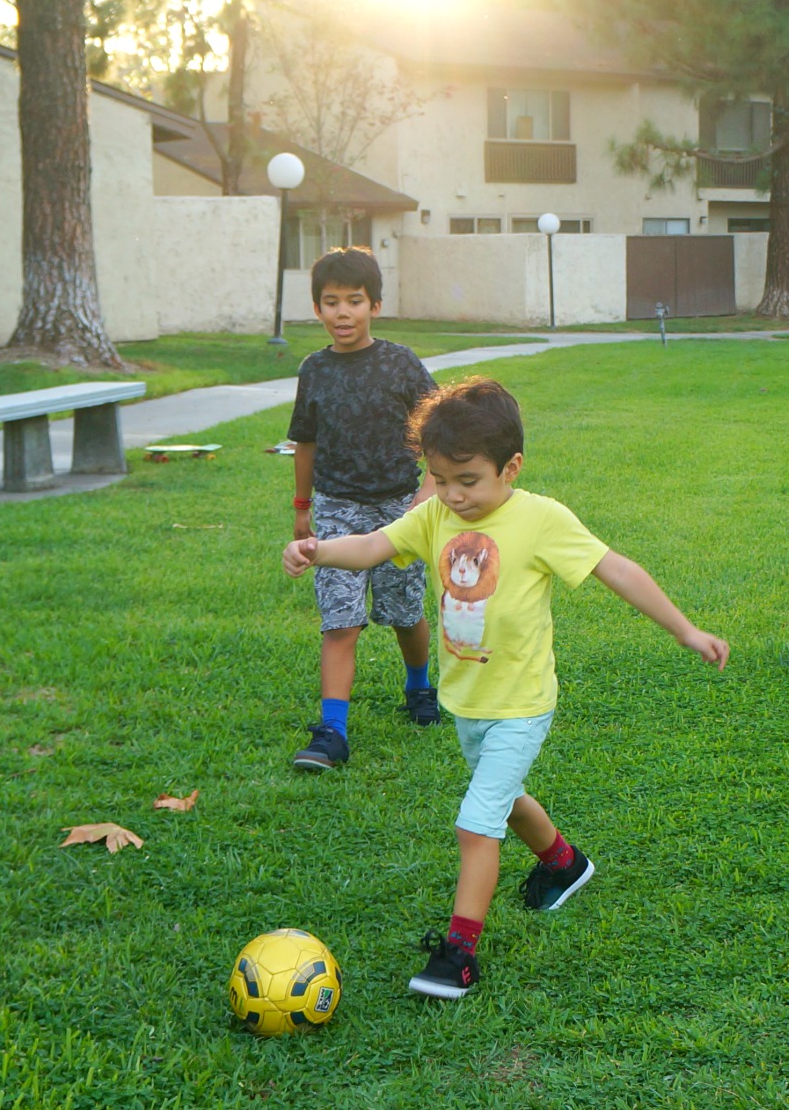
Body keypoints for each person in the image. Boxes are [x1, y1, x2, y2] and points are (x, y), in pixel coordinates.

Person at [282, 377, 729, 997]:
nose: (453, 495)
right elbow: (375, 546)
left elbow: (616, 569)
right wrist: (319, 548)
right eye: (440, 479)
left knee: (476, 822)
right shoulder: (434, 513)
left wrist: (685, 630)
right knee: (505, 797)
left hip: (522, 703)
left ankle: (458, 954)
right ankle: (565, 864)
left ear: (511, 466)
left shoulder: (542, 519)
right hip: (467, 701)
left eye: (468, 480)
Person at [286, 246, 439, 772]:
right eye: (331, 302)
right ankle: (333, 731)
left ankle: (419, 689)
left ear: (375, 304)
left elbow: (438, 429)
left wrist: (429, 492)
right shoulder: (315, 370)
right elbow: (305, 443)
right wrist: (303, 509)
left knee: (404, 612)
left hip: (401, 508)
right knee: (340, 620)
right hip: (336, 508)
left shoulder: (401, 363)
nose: (343, 313)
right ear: (317, 310)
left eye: (354, 300)